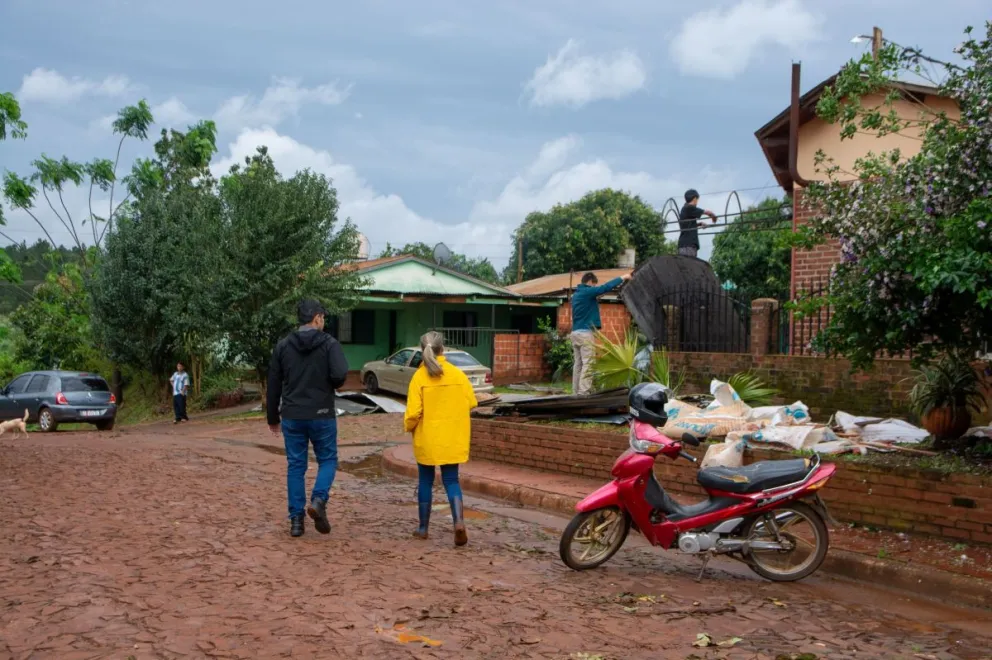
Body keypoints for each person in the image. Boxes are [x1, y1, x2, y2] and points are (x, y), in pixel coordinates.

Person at [267, 299, 349, 538]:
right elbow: (340, 374)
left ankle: (296, 521)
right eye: (323, 317)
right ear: (317, 318)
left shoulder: (283, 346)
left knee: (295, 466)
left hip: (292, 415)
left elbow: (273, 382)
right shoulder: (329, 344)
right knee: (328, 460)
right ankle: (319, 499)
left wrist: (273, 416)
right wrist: (330, 383)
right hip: (322, 413)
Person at [404, 331, 478, 546]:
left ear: (422, 349)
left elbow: (413, 413)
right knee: (452, 480)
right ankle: (459, 522)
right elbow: (471, 402)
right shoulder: (457, 375)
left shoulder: (419, 377)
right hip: (452, 437)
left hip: (427, 437)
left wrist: (409, 428)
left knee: (425, 480)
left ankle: (423, 528)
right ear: (443, 348)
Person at [570, 271, 633, 396]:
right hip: (584, 334)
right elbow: (605, 287)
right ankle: (583, 393)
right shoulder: (587, 291)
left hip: (575, 333)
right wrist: (623, 277)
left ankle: (576, 392)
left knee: (578, 364)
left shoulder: (576, 295)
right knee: (588, 363)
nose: (594, 287)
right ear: (590, 282)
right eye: (594, 285)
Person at [678, 189, 718, 258]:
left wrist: (699, 224)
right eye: (697, 199)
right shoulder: (689, 207)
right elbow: (707, 212)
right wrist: (713, 217)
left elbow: (687, 225)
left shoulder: (685, 209)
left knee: (687, 266)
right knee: (690, 266)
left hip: (685, 245)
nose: (697, 202)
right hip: (688, 245)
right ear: (695, 198)